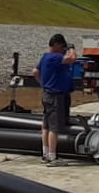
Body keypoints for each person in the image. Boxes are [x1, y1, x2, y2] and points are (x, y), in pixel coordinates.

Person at [36, 33, 83, 165]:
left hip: (47, 94)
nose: (64, 50)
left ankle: (45, 152)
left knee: (45, 125)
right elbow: (72, 58)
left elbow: (35, 71)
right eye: (62, 47)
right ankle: (52, 156)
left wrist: (43, 83)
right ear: (57, 45)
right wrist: (71, 48)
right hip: (55, 96)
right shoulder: (55, 57)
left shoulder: (45, 57)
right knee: (54, 127)